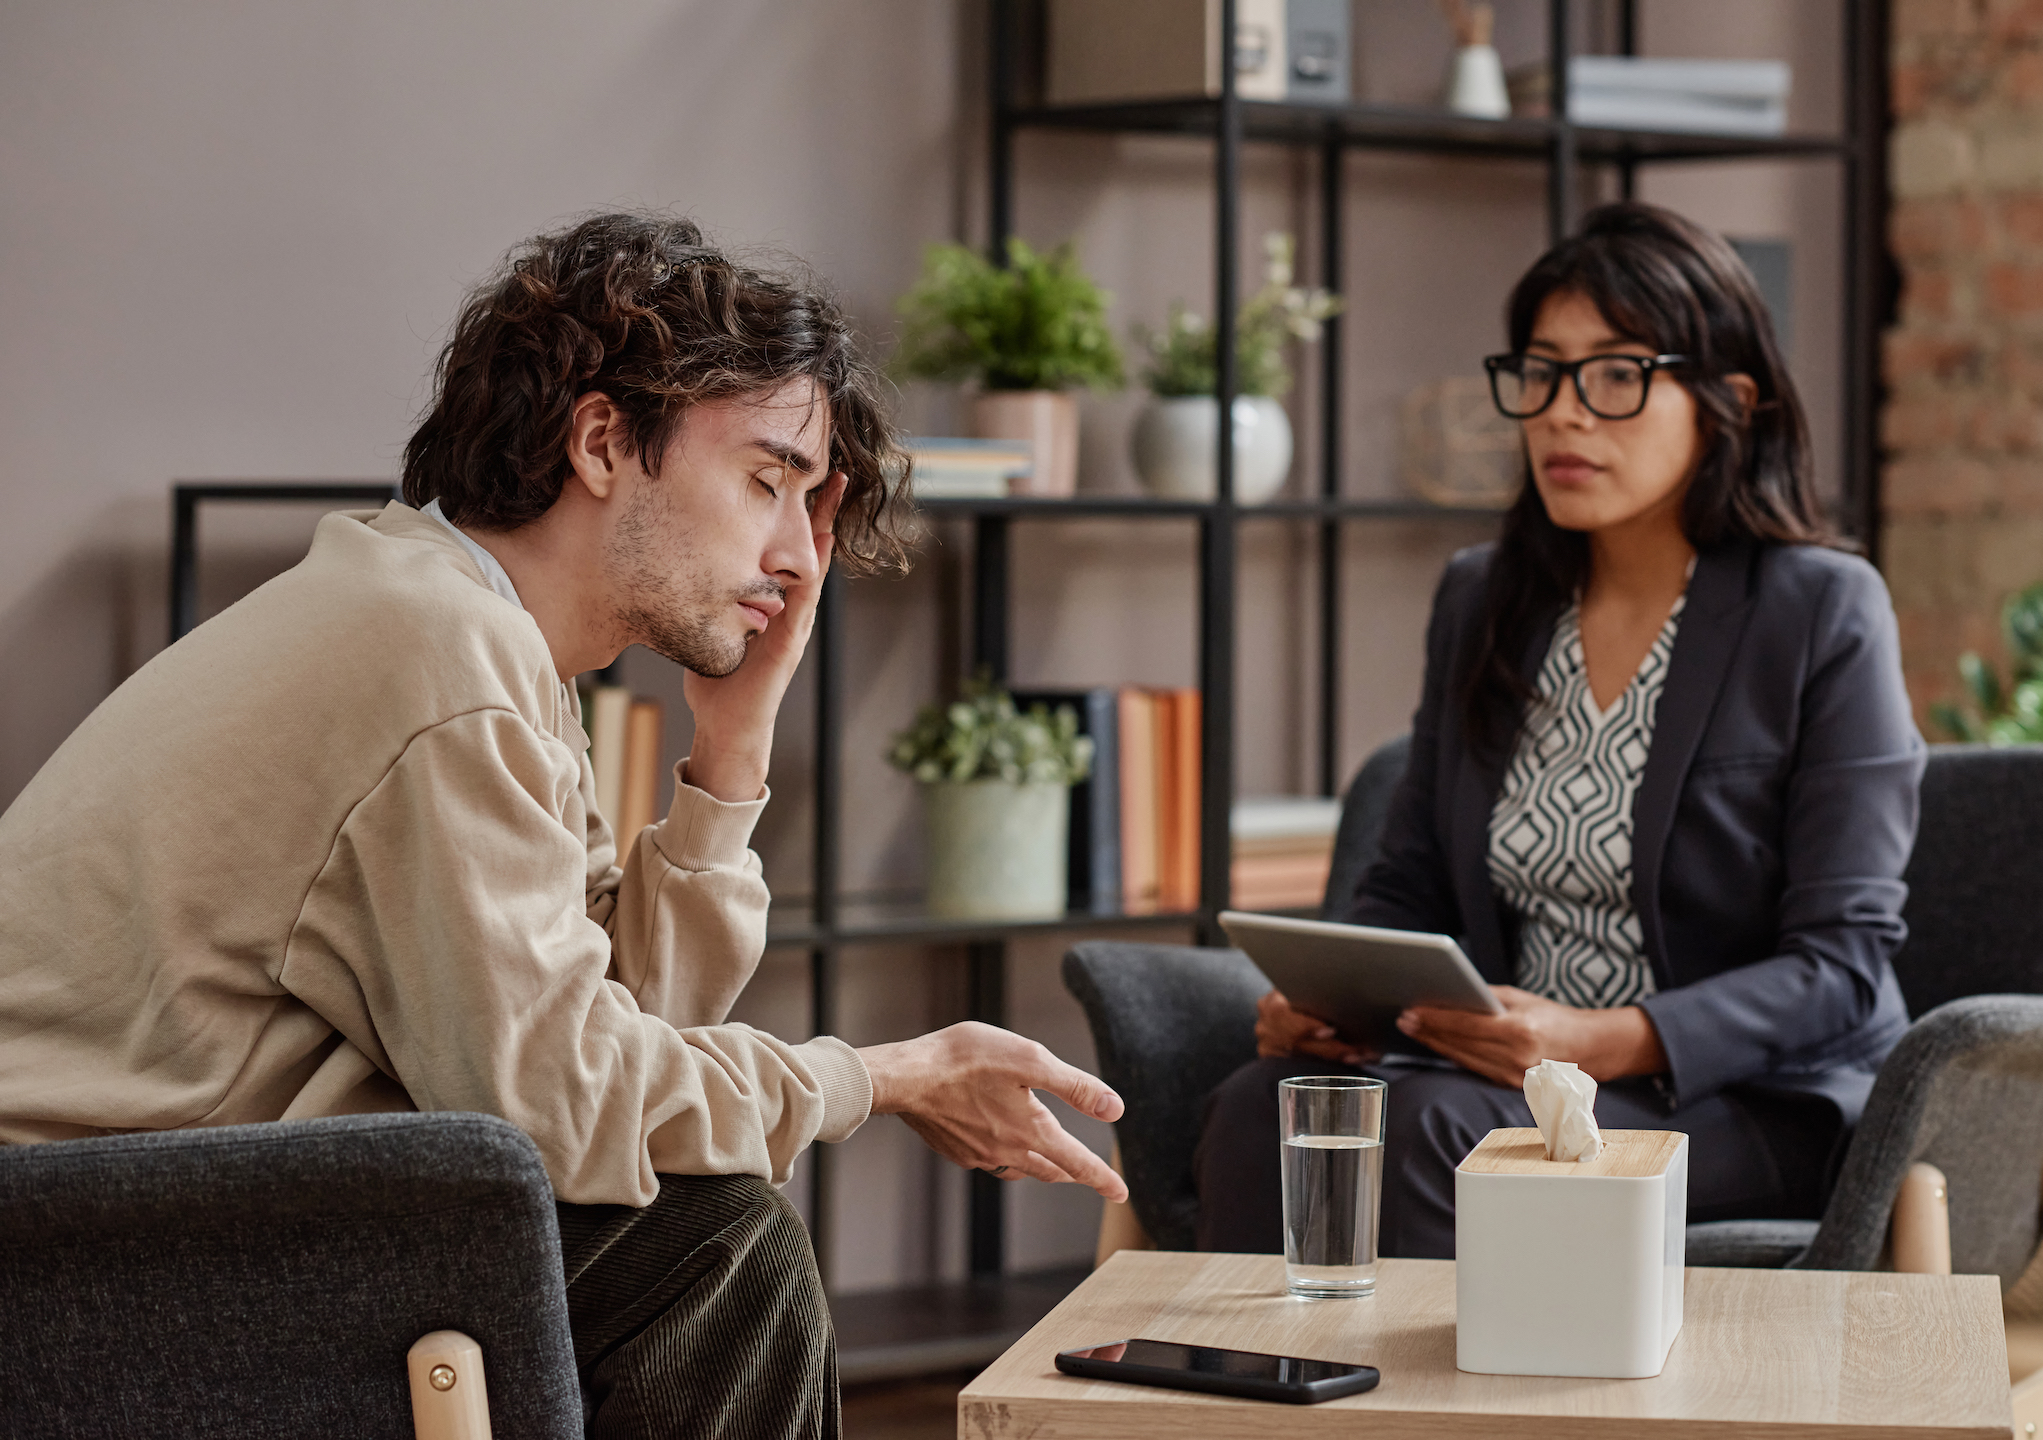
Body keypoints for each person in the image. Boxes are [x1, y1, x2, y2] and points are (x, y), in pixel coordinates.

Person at [0, 212, 1125, 1439]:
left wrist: (729, 752)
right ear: (601, 441)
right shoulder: (440, 656)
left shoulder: (467, 632)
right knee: (715, 1251)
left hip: (158, 1216)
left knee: (696, 1230)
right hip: (73, 1253)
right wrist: (885, 1077)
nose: (800, 556)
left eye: (810, 506)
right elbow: (580, 1109)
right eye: (767, 481)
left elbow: (623, 1040)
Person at [1194, 201, 1923, 1258]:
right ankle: (1264, 1413)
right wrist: (1330, 1000)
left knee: (1432, 1137)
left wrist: (1600, 1042)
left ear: (1727, 400)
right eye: (1540, 372)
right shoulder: (1485, 599)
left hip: (1743, 1098)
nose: (1564, 415)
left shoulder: (1817, 610)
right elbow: (1407, 887)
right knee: (1268, 1105)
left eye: (1616, 375)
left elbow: (1841, 965)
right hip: (1503, 1073)